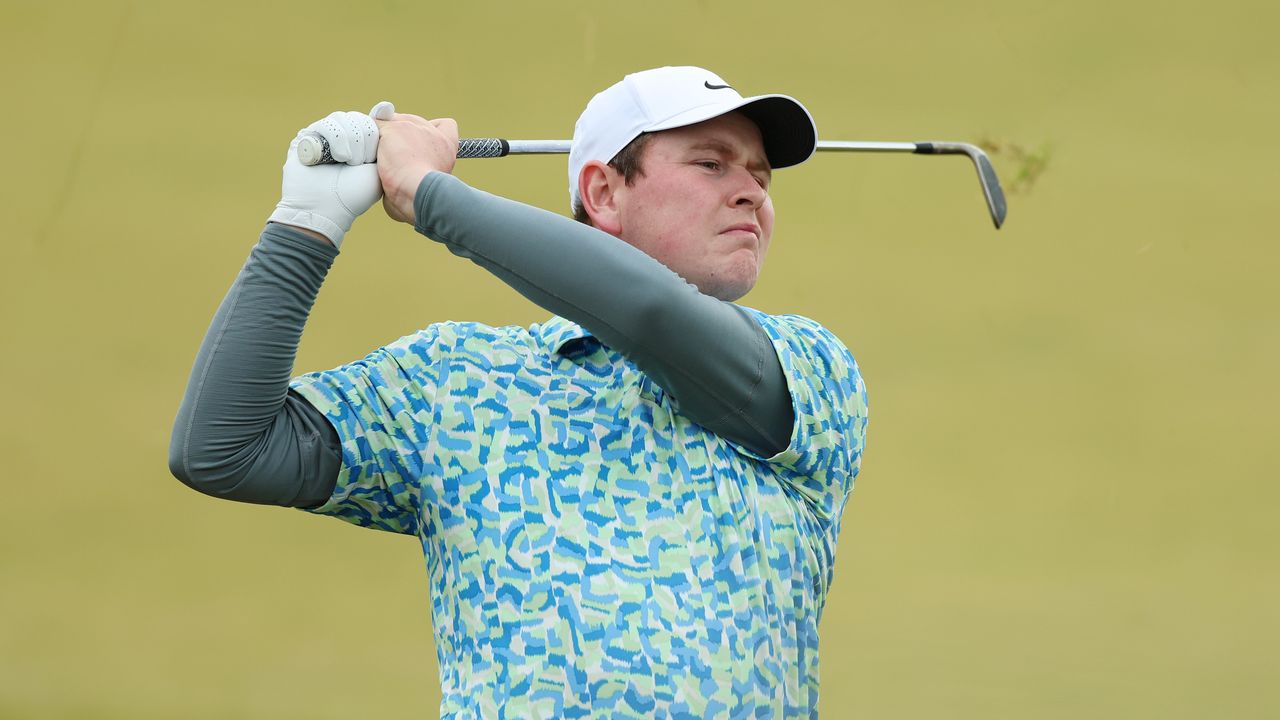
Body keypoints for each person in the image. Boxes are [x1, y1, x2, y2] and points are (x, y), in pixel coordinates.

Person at [170, 65, 868, 718]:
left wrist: (427, 192)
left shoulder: (811, 368)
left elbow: (650, 314)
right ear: (602, 192)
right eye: (711, 163)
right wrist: (306, 222)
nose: (751, 191)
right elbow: (224, 449)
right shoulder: (458, 380)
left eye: (761, 176)